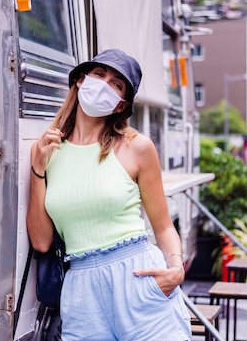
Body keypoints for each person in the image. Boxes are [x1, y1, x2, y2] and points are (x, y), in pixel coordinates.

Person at [27, 49, 191, 341]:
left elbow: (163, 225)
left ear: (120, 105)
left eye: (117, 84)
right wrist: (37, 170)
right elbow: (41, 242)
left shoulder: (137, 147)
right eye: (99, 74)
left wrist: (176, 268)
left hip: (138, 280)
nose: (104, 84)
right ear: (80, 80)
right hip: (81, 292)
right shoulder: (48, 151)